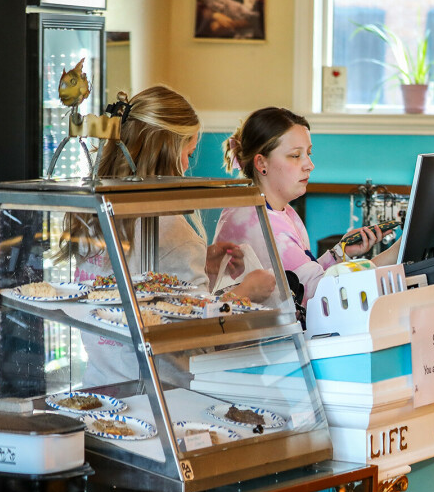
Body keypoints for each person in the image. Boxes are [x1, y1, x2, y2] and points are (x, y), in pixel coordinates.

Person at [57, 85, 276, 386]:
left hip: (101, 384)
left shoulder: (90, 214)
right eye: (187, 153)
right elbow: (194, 330)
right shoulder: (174, 231)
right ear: (166, 151)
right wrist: (246, 293)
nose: (187, 165)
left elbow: (148, 291)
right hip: (163, 393)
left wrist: (202, 263)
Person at [214, 107, 380, 306]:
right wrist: (396, 253)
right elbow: (320, 295)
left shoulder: (277, 210)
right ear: (261, 163)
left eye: (308, 154)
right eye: (295, 155)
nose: (309, 164)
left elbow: (300, 277)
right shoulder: (260, 224)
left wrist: (339, 253)